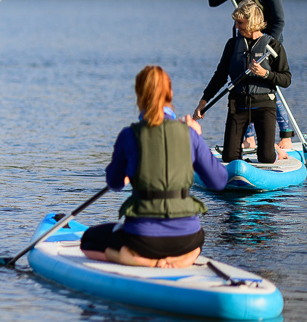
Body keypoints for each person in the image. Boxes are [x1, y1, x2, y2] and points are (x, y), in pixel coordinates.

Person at [80, 65, 228, 269]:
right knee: (195, 242)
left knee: (88, 241)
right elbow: (219, 181)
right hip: (187, 237)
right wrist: (198, 137)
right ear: (171, 94)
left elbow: (114, 183)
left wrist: (126, 172)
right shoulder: (190, 134)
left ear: (138, 95)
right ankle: (185, 258)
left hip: (142, 238)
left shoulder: (128, 135)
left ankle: (138, 259)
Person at [208, 0, 293, 152]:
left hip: (268, 44)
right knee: (242, 86)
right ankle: (250, 139)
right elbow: (213, 1)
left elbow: (280, 20)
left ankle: (287, 136)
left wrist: (268, 44)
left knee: (267, 89)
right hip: (243, 40)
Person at [194, 0, 291, 164]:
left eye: (240, 23)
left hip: (264, 106)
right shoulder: (232, 45)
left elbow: (286, 79)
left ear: (252, 22)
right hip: (238, 105)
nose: (237, 27)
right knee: (230, 157)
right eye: (236, 23)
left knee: (265, 158)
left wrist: (265, 73)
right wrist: (203, 102)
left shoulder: (273, 46)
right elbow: (219, 76)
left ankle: (277, 152)